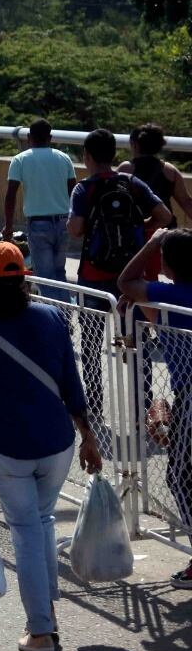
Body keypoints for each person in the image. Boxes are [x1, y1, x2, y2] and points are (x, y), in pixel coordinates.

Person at [0, 242, 102, 651]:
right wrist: (88, 435)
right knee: (41, 521)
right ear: (24, 277)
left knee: (26, 530)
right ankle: (47, 611)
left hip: (8, 450)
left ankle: (40, 631)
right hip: (58, 444)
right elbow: (72, 383)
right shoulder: (53, 317)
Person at [68, 128, 170, 420]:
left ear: (87, 156)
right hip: (130, 278)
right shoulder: (132, 183)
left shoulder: (83, 189)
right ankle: (143, 407)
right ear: (115, 155)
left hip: (93, 276)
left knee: (90, 341)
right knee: (137, 340)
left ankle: (96, 405)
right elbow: (164, 217)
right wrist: (139, 227)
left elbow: (75, 229)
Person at [118, 228, 192, 589]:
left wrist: (150, 242)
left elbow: (126, 280)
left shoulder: (167, 295)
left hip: (190, 394)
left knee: (178, 475)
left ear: (166, 263)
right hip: (186, 397)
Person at [5, 119, 77, 300]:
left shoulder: (20, 159)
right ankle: (65, 315)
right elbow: (74, 193)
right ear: (50, 137)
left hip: (38, 225)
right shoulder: (64, 158)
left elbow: (11, 195)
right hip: (63, 223)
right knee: (59, 273)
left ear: (29, 137)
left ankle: (56, 318)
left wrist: (8, 226)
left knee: (45, 276)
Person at [118, 123, 192, 278]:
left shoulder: (126, 169)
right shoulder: (170, 170)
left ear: (135, 145)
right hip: (165, 233)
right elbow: (186, 202)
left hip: (137, 232)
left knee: (137, 277)